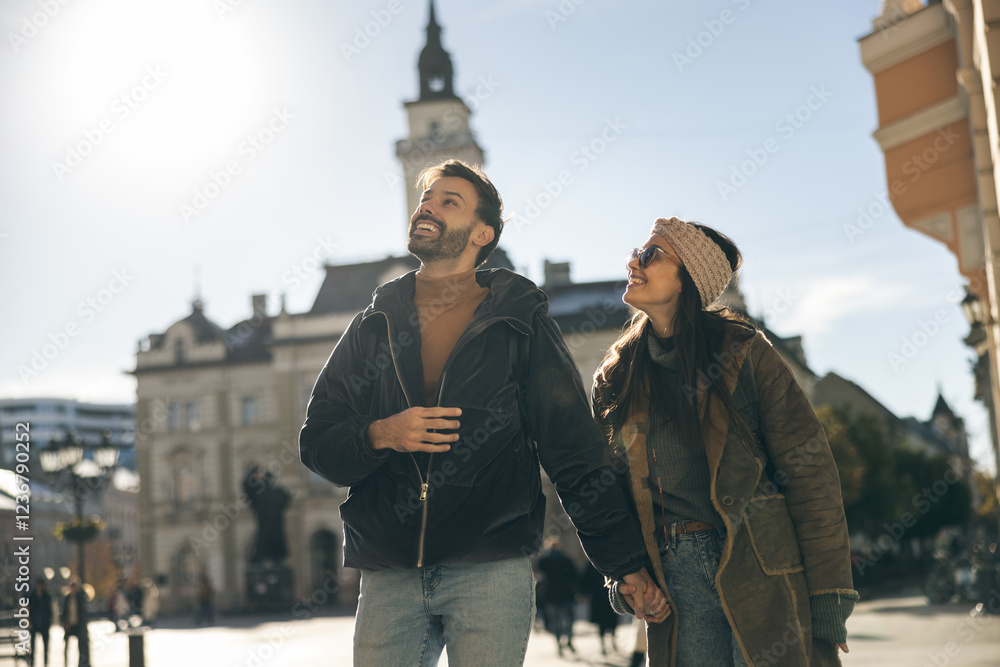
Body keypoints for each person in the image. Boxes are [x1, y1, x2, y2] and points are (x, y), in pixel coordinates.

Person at [299, 159, 666, 666]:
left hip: (490, 570)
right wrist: (380, 434)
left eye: (449, 201)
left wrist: (624, 562)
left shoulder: (519, 322)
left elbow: (573, 451)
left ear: (482, 233)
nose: (427, 205)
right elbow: (317, 442)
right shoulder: (373, 324)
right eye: (427, 196)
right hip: (389, 574)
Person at [592, 217, 858, 666]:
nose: (633, 261)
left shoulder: (745, 352)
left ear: (688, 280)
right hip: (674, 578)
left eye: (651, 254)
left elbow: (810, 473)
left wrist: (830, 594)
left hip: (761, 562)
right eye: (637, 251)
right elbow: (606, 491)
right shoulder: (617, 377)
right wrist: (623, 575)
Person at [537, 538, 579, 656]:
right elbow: (574, 577)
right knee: (569, 619)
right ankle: (569, 640)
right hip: (566, 594)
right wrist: (578, 592)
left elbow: (540, 577)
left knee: (554, 620)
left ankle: (558, 644)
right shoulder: (566, 560)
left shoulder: (544, 561)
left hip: (551, 595)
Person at [581, 562, 619, 655]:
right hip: (609, 594)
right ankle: (611, 642)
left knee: (603, 622)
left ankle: (605, 644)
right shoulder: (610, 559)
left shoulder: (592, 562)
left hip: (598, 595)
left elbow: (586, 579)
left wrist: (583, 593)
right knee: (611, 619)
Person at [61, 580, 89, 667]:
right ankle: (65, 663)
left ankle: (82, 664)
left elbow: (84, 611)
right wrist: (65, 622)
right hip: (69, 625)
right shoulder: (67, 598)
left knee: (82, 645)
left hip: (79, 625)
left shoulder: (81, 597)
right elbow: (64, 612)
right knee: (66, 646)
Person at [28, 579, 53, 666]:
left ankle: (45, 661)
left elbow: (50, 609)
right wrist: (29, 622)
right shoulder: (32, 596)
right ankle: (32, 661)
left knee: (46, 645)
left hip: (44, 623)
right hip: (34, 623)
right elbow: (28, 609)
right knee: (33, 645)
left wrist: (50, 621)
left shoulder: (47, 596)